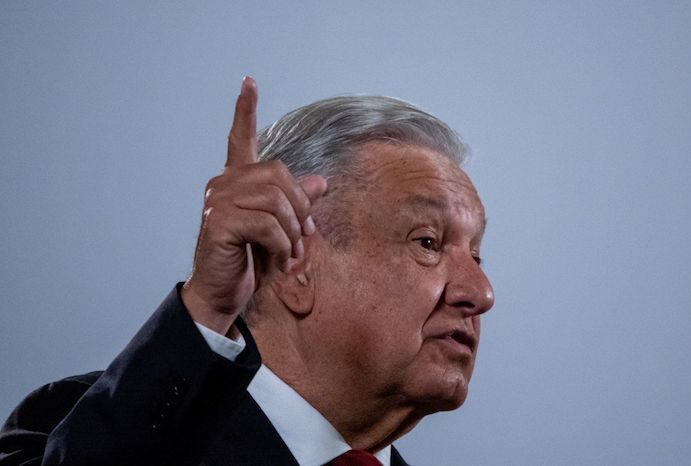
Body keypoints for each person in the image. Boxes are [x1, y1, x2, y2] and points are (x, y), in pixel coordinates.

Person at [0, 77, 494, 466]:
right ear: (297, 259)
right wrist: (209, 307)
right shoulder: (83, 426)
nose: (481, 292)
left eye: (476, 255)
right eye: (427, 243)